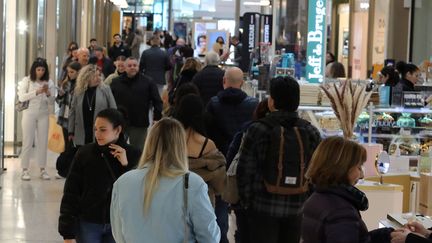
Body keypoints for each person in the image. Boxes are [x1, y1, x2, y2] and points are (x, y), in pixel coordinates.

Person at [236, 76, 322, 243]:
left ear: (272, 102)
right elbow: (317, 172)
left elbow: (245, 170)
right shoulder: (310, 131)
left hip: (262, 207)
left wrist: (248, 202)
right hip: (297, 208)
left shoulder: (258, 129)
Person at [110, 117, 221, 243]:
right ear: (181, 145)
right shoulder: (192, 183)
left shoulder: (122, 183)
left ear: (149, 142)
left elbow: (119, 235)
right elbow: (210, 238)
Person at [59, 108, 142, 243]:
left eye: (103, 130)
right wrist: (67, 232)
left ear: (117, 130)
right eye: (95, 129)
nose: (98, 134)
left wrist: (126, 166)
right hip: (88, 222)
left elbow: (137, 194)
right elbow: (71, 192)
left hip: (118, 223)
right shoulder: (84, 153)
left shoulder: (133, 155)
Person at [301, 136, 393, 243]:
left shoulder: (317, 196)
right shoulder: (341, 212)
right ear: (342, 168)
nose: (362, 175)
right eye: (359, 167)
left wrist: (385, 235)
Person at [225, 98, 270, 243]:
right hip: (272, 197)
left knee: (244, 231)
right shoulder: (283, 131)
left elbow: (232, 155)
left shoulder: (248, 128)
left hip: (246, 194)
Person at [173, 94, 226, 207]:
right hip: (202, 201)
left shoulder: (172, 141)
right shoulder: (208, 145)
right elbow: (220, 183)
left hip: (175, 199)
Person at [110, 57, 163, 150]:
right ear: (125, 68)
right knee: (117, 148)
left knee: (138, 151)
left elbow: (157, 100)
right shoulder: (115, 82)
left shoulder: (148, 82)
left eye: (135, 65)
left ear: (138, 67)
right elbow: (110, 101)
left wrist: (157, 117)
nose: (132, 67)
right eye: (129, 65)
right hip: (120, 122)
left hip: (139, 122)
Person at [18, 57, 56, 181]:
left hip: (43, 114)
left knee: (43, 142)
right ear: (34, 70)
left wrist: (48, 93)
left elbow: (52, 102)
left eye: (43, 69)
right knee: (27, 141)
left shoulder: (49, 82)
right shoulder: (27, 80)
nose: (40, 72)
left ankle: (42, 169)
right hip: (29, 113)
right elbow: (22, 97)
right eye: (38, 69)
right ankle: (24, 169)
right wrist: (36, 92)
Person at [68, 64, 117, 146]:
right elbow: (72, 112)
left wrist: (114, 129)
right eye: (95, 76)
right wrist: (70, 131)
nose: (99, 78)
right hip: (82, 130)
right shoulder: (78, 91)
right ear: (87, 77)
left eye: (99, 75)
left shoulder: (105, 89)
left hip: (101, 130)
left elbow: (113, 109)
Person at [56, 61, 82, 148]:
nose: (69, 74)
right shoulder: (65, 83)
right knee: (67, 145)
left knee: (76, 144)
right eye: (68, 72)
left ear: (78, 72)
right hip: (65, 117)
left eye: (72, 72)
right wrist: (60, 95)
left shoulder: (81, 85)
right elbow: (58, 101)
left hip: (76, 118)